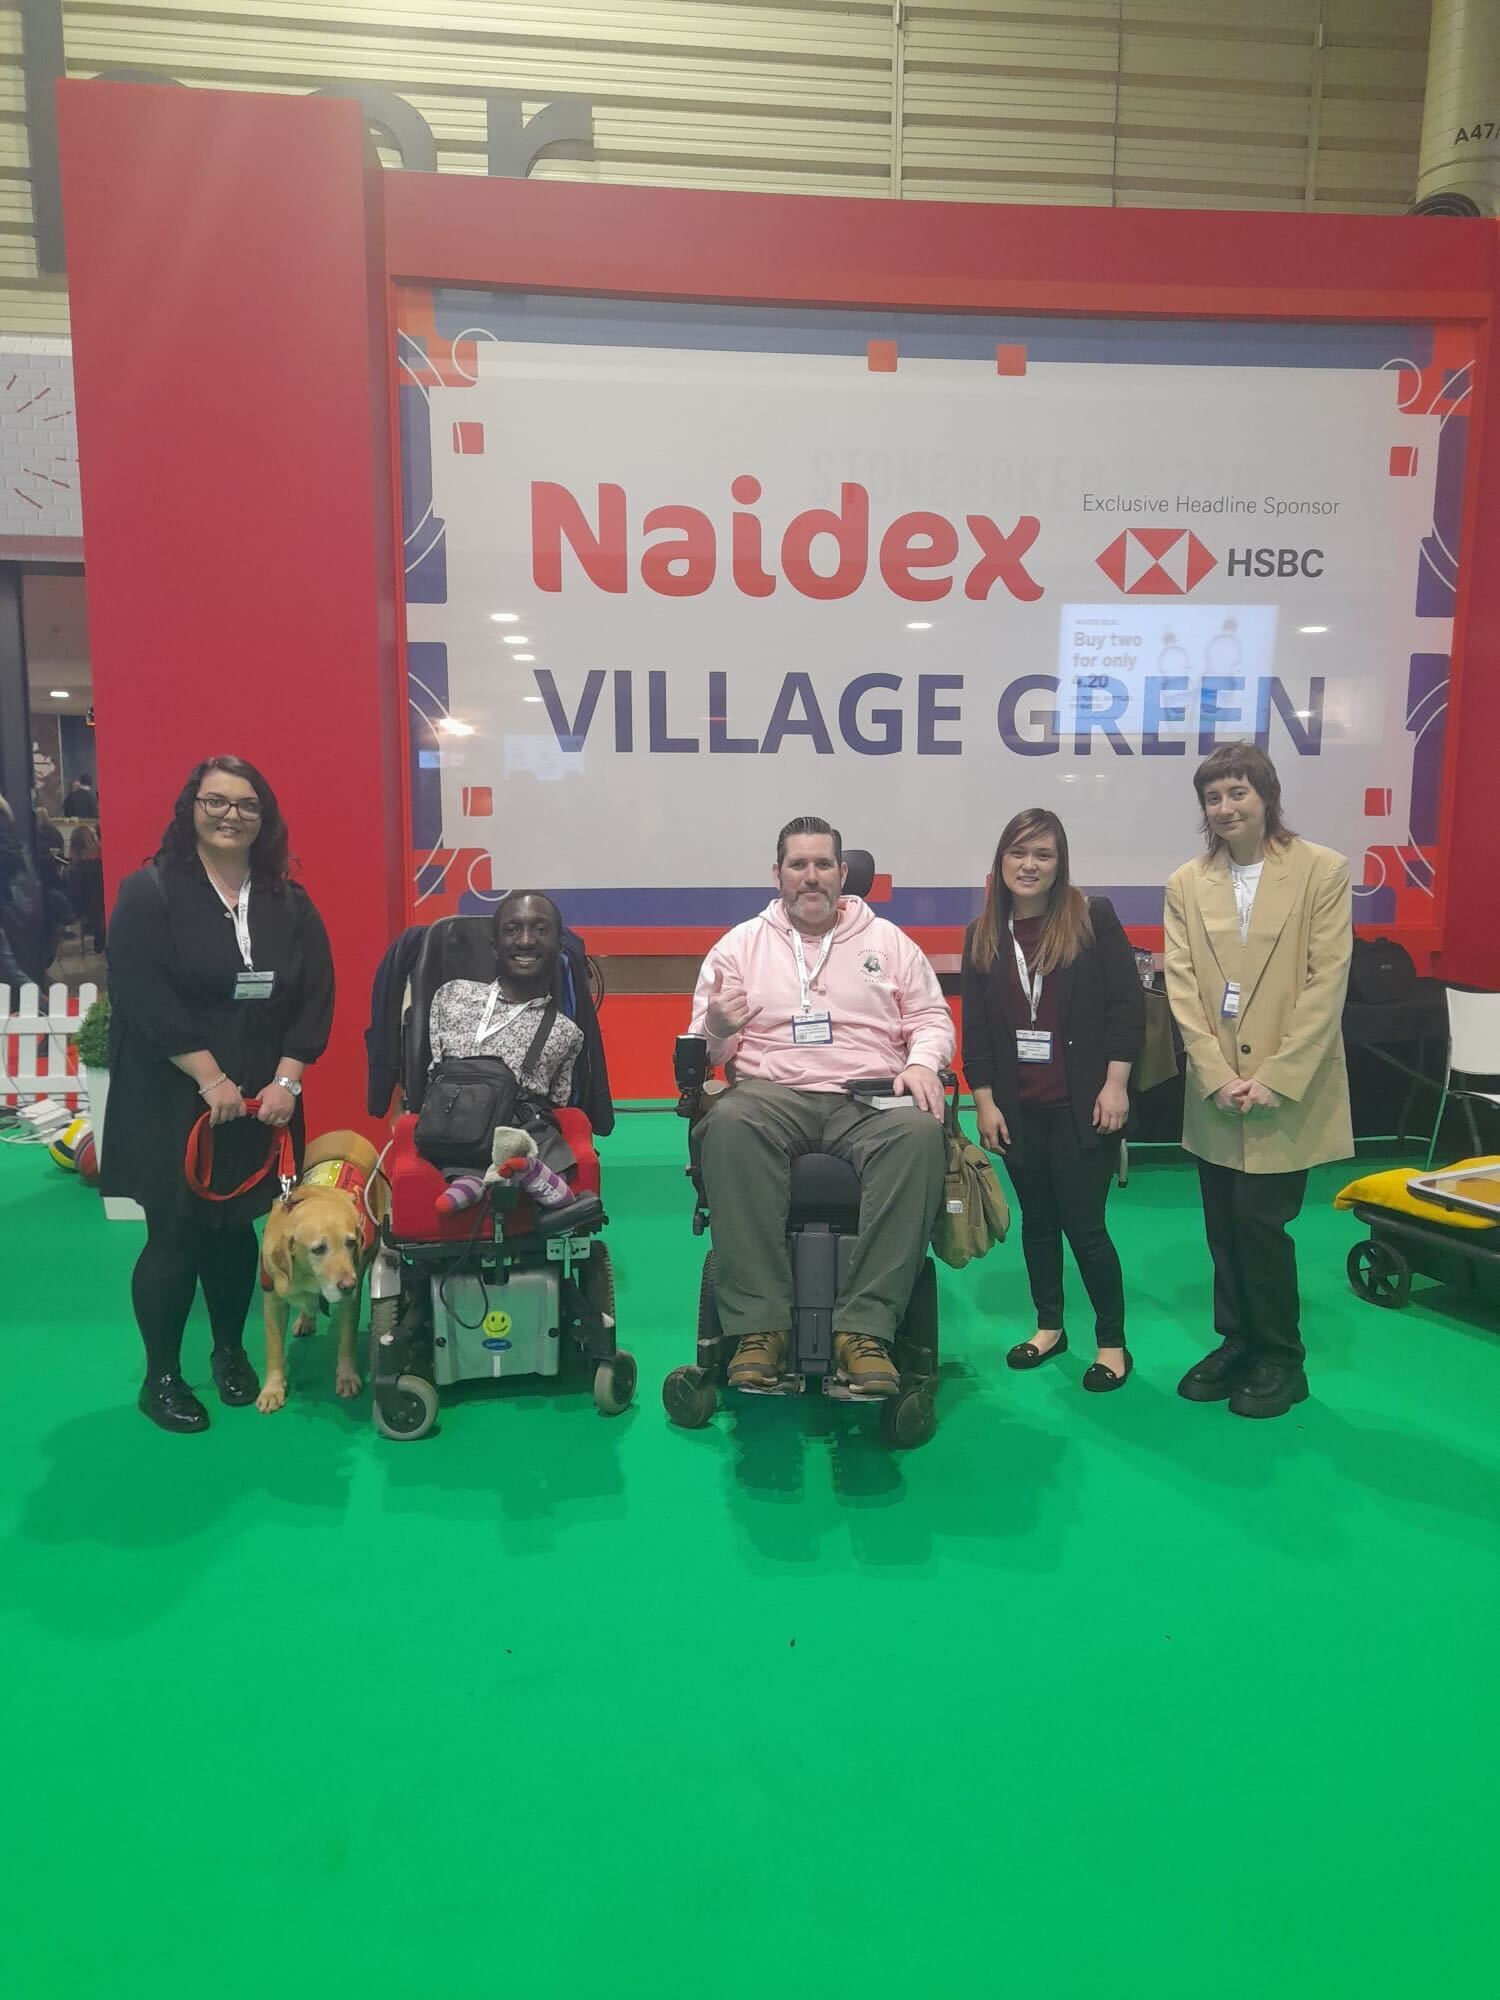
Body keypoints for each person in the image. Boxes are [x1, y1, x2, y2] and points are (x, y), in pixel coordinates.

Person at [102, 756, 334, 1433]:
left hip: (263, 1096)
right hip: (171, 1094)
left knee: (238, 1233)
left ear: (265, 820)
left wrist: (288, 1079)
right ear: (190, 809)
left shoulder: (290, 901)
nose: (232, 814)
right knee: (173, 1237)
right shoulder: (149, 893)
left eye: (247, 804)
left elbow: (314, 993)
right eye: (216, 801)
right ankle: (163, 1378)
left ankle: (231, 1354)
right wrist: (209, 1078)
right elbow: (143, 995)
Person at [687, 815, 952, 1397]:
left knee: (919, 1135)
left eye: (823, 865)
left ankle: (866, 1332)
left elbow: (932, 1018)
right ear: (777, 873)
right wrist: (717, 1027)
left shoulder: (889, 943)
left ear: (843, 872)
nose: (811, 877)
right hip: (770, 1094)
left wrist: (920, 1063)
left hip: (868, 1095)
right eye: (798, 865)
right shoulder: (739, 946)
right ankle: (761, 1331)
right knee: (728, 1122)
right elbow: (704, 1049)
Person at [1164, 743, 1352, 1419]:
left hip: (1286, 1086)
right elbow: (1182, 987)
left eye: (1237, 793)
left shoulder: (1321, 871)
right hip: (1218, 1088)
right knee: (1222, 1222)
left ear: (1266, 795)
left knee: (1260, 1221)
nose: (1225, 808)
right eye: (1213, 798)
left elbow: (1325, 982)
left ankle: (1281, 1357)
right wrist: (1215, 1074)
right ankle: (1237, 1341)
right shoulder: (1187, 882)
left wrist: (1277, 1074)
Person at [961, 808, 1145, 1390]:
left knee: (1084, 1226)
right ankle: (1049, 1327)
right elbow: (978, 1031)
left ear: (1060, 862)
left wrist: (1116, 1083)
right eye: (1019, 853)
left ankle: (1112, 1343)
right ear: (1001, 863)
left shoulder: (1092, 918)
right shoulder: (984, 934)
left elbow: (1127, 1005)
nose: (1030, 865)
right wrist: (984, 1103)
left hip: (1082, 1106)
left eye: (1043, 854)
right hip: (1018, 1108)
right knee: (1038, 1223)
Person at [423, 889, 585, 1209]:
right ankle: (471, 1179)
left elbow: (557, 1101)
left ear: (558, 944)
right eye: (512, 930)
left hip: (520, 1126)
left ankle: (530, 1172)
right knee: (455, 1127)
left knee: (539, 1125)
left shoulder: (568, 1033)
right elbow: (435, 1067)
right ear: (495, 945)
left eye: (540, 929)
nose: (525, 940)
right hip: (455, 1121)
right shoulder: (451, 994)